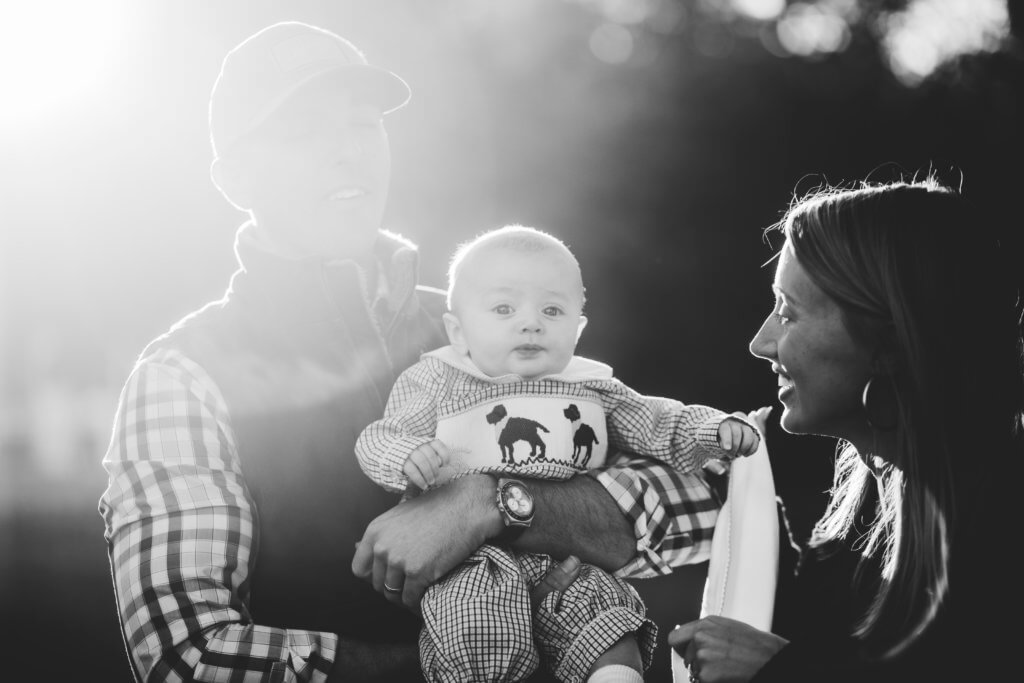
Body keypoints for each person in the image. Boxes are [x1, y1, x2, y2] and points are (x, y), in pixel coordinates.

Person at [98, 21, 733, 682]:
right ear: (233, 179)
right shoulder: (183, 378)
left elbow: (713, 503)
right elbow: (187, 658)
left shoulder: (483, 322)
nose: (346, 152)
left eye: (362, 123)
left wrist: (498, 502)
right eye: (302, 131)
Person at [354, 225, 761, 682]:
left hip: (569, 558)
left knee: (606, 624)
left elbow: (657, 421)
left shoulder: (592, 388)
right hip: (468, 563)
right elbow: (380, 435)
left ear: (578, 328)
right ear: (458, 330)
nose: (531, 323)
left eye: (552, 310)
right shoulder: (438, 378)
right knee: (474, 628)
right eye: (504, 308)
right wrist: (406, 457)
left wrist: (709, 430)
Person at [668, 177, 1024, 682]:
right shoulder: (868, 507)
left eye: (787, 313)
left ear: (887, 344)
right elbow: (829, 636)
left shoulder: (1005, 529)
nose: (759, 343)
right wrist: (751, 512)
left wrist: (777, 671)